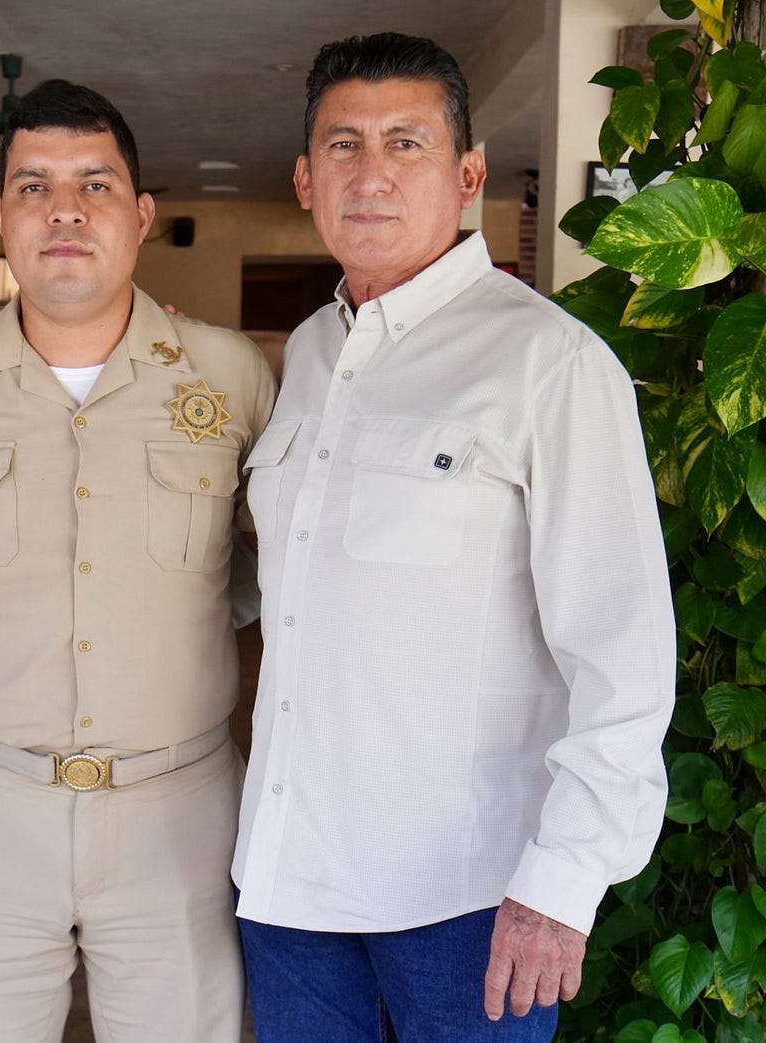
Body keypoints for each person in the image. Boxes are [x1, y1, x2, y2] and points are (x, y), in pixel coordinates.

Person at [231, 32, 676, 1041]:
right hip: (289, 887)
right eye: (342, 145)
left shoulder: (550, 362)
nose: (371, 174)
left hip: (470, 899)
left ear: (468, 175)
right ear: (305, 179)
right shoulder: (308, 352)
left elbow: (623, 650)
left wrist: (563, 880)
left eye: (406, 142)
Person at [0, 80, 276, 1041]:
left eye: (96, 185)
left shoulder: (231, 375)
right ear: (1, 216)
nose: (64, 210)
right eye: (35, 186)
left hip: (180, 813)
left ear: (141, 215)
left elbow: (288, 558)